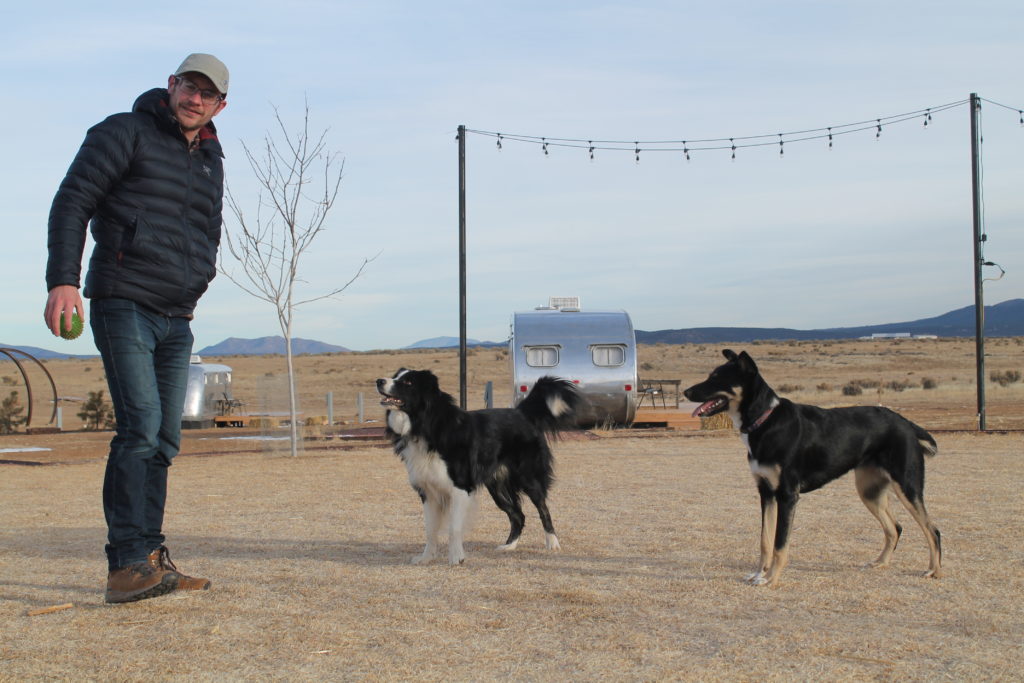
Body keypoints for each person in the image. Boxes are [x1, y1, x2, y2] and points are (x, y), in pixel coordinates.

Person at [44, 54, 229, 603]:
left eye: (207, 94)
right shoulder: (124, 131)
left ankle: (150, 560)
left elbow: (207, 231)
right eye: (188, 87)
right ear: (171, 86)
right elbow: (72, 200)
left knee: (165, 440)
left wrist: (198, 284)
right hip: (124, 299)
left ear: (221, 105)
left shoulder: (211, 160)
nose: (195, 99)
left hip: (179, 315)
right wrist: (63, 281)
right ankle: (124, 564)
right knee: (141, 427)